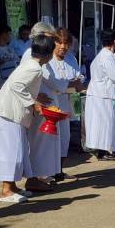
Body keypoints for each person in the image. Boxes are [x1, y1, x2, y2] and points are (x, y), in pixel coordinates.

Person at [0, 32, 54, 202]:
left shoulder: (30, 65)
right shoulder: (33, 68)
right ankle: (6, 190)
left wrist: (35, 98)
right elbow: (17, 85)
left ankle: (12, 187)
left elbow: (21, 86)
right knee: (11, 151)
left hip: (10, 113)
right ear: (48, 55)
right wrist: (34, 103)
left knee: (18, 150)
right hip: (7, 113)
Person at [24, 22, 68, 189]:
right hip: (40, 106)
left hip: (48, 103)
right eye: (50, 38)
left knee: (46, 143)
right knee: (38, 143)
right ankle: (34, 177)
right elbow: (52, 80)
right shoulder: (31, 53)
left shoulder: (43, 53)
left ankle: (42, 176)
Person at [83, 30, 115, 161]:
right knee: (105, 122)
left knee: (102, 123)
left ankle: (104, 150)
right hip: (104, 94)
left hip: (101, 93)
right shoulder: (107, 56)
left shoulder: (102, 55)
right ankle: (103, 151)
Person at [50, 29, 82, 169]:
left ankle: (59, 170)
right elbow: (54, 83)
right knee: (51, 139)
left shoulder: (71, 58)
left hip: (68, 102)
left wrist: (74, 83)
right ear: (54, 42)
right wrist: (69, 83)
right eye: (60, 42)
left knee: (65, 138)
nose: (63, 46)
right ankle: (49, 171)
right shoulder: (48, 59)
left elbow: (78, 77)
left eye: (66, 43)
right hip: (52, 105)